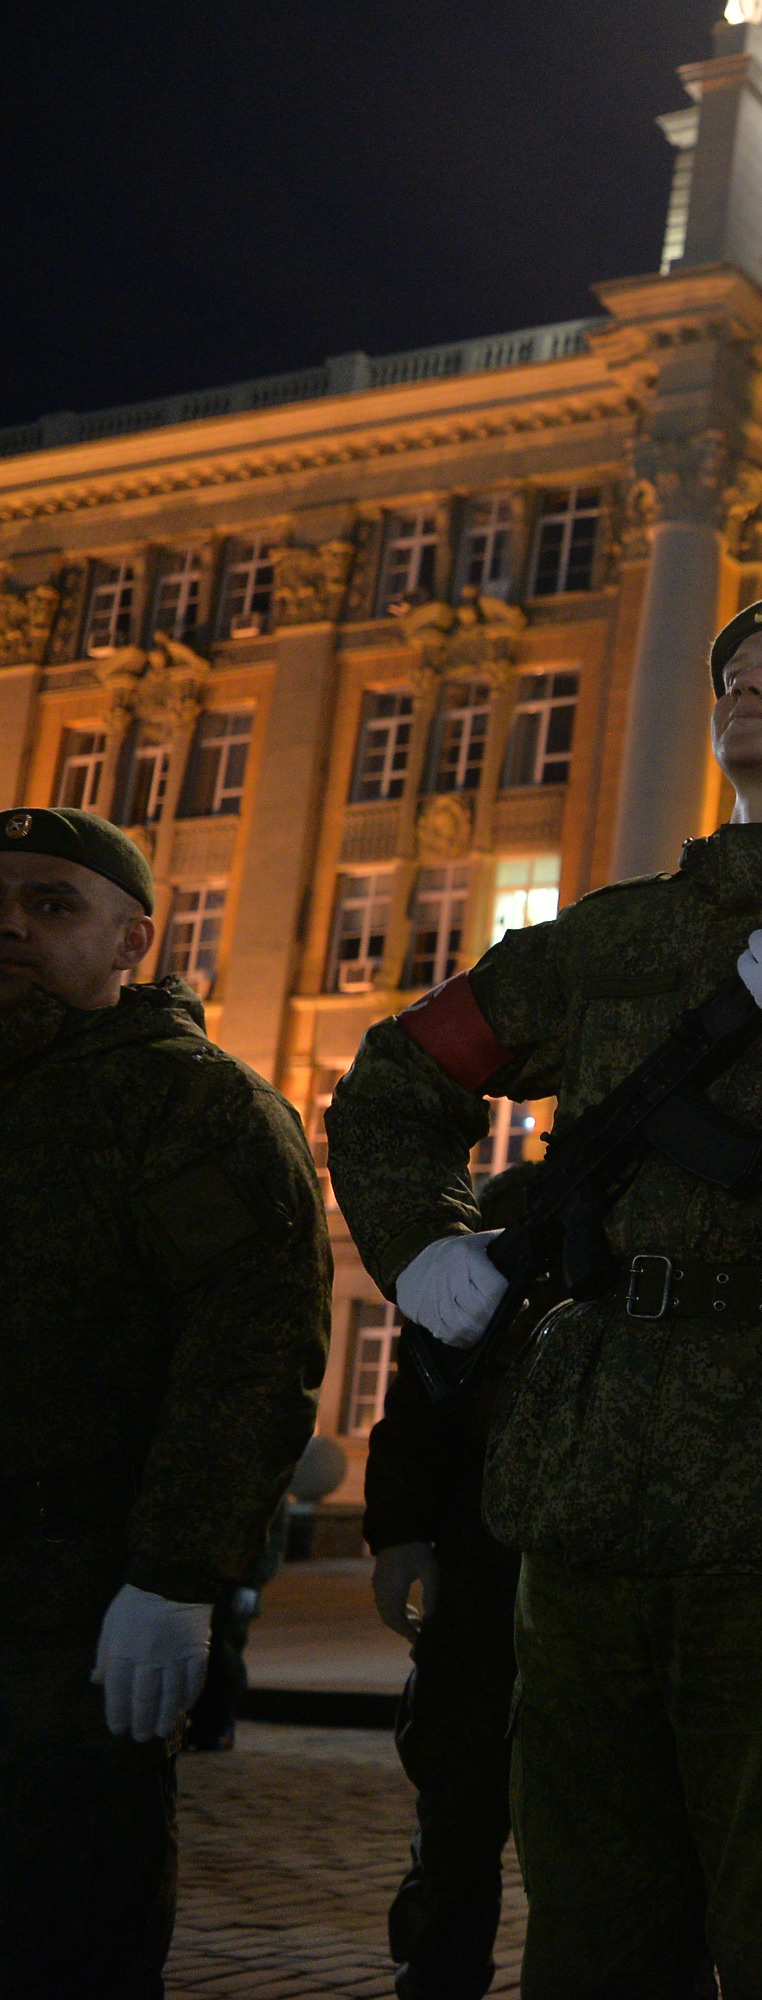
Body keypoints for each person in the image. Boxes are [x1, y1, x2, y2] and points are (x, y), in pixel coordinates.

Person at [328, 590, 762, 2000]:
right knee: (590, 1910)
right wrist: (429, 1249)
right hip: (590, 1471)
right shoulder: (609, 940)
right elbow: (397, 1082)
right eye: (737, 671)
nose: (751, 684)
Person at [0, 805, 330, 1998]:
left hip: (73, 1605)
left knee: (59, 1925)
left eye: (51, 903)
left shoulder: (192, 1106)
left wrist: (180, 1573)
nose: (12, 925)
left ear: (134, 937)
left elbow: (251, 1350)